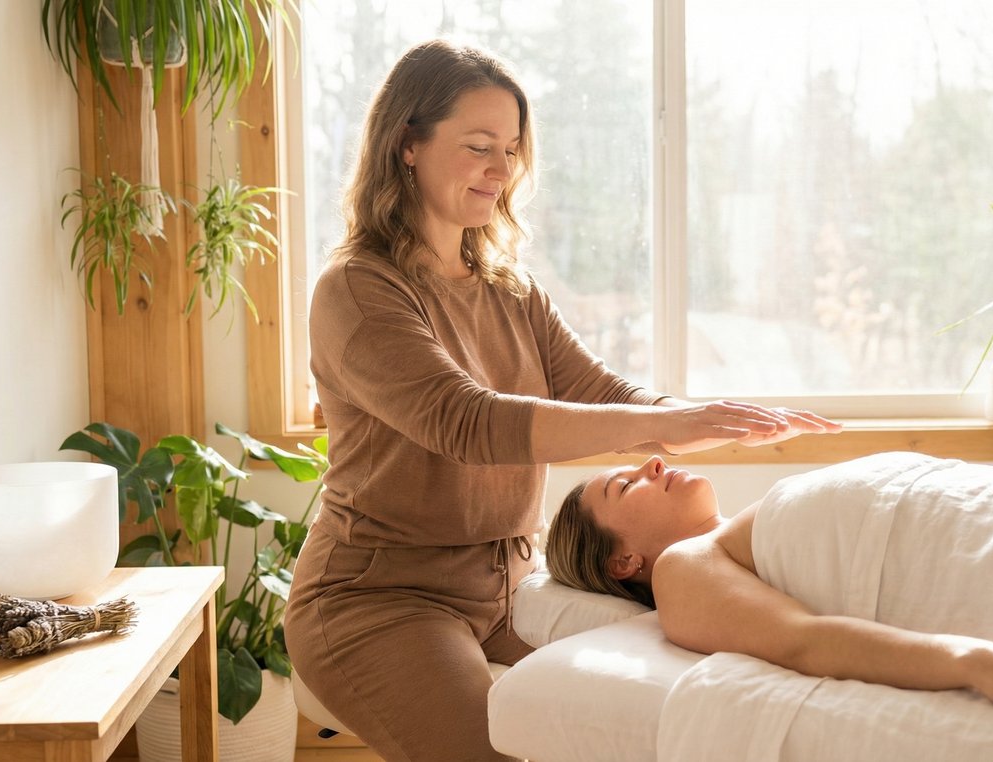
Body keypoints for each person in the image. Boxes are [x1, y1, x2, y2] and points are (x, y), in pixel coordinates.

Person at [283, 39, 840, 762]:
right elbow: (469, 421)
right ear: (406, 145)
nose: (502, 169)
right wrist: (664, 424)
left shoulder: (509, 287)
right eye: (479, 145)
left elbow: (602, 392)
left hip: (514, 586)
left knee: (672, 709)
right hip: (382, 598)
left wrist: (703, 420)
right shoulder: (358, 289)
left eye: (512, 149)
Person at [545, 455, 993, 734]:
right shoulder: (683, 567)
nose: (652, 463)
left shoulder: (729, 538)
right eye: (626, 486)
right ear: (624, 561)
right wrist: (976, 661)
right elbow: (803, 642)